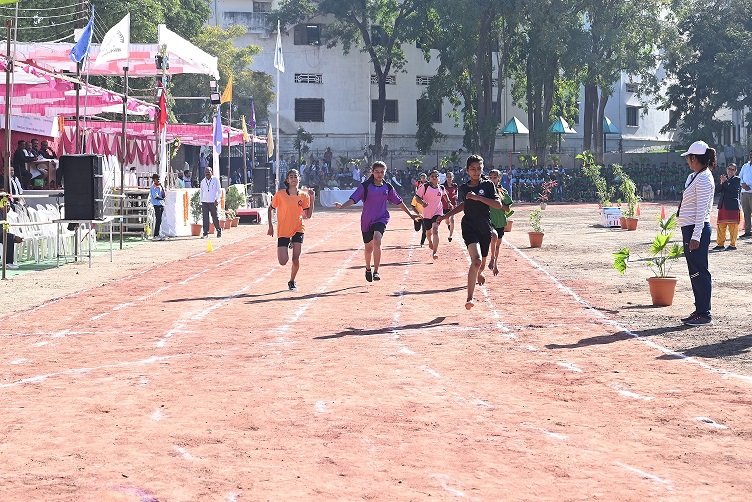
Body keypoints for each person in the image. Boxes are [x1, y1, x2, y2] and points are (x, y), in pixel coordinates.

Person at [335, 161, 421, 282]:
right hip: (367, 220)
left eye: (382, 172)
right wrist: (342, 206)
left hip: (381, 218)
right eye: (377, 172)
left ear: (385, 172)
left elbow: (399, 202)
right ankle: (368, 268)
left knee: (377, 239)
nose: (379, 174)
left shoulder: (388, 187)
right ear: (372, 172)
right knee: (368, 248)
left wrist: (411, 215)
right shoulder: (365, 186)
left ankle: (376, 271)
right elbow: (353, 199)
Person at [438, 154, 502, 310]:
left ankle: (479, 273)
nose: (476, 171)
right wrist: (445, 216)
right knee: (476, 261)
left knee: (481, 265)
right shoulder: (464, 188)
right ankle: (470, 297)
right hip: (469, 226)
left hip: (484, 227)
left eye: (479, 168)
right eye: (473, 169)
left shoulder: (488, 185)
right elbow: (464, 205)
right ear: (467, 170)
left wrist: (478, 198)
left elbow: (498, 205)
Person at [678, 140, 716, 326]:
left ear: (694, 158)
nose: (687, 161)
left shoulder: (704, 179)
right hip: (690, 228)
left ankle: (704, 313)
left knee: (700, 272)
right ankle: (699, 308)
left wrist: (695, 236)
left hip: (696, 229)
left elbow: (701, 211)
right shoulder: (695, 176)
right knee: (694, 272)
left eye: (688, 158)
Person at [267, 169, 315, 291]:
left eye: (295, 176)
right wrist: (270, 226)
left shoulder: (304, 196)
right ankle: (289, 242)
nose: (294, 179)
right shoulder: (280, 194)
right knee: (283, 261)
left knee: (295, 258)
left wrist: (312, 198)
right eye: (291, 177)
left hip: (298, 228)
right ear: (287, 180)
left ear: (299, 179)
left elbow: (308, 215)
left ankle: (292, 281)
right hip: (283, 230)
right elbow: (270, 208)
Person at [414, 170, 449, 260]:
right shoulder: (425, 186)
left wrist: (448, 202)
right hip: (427, 213)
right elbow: (417, 197)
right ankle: (429, 241)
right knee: (428, 232)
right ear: (429, 178)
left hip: (438, 212)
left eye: (436, 176)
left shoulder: (441, 188)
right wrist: (422, 202)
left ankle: (435, 252)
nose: (434, 178)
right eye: (432, 176)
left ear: (438, 178)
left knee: (435, 230)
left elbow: (445, 195)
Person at [487, 169, 513, 276]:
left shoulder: (503, 192)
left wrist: (499, 205)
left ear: (499, 178)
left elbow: (508, 209)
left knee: (497, 245)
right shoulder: (486, 191)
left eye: (495, 177)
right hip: (488, 220)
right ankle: (491, 258)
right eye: (491, 177)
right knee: (493, 237)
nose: (492, 179)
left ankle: (495, 263)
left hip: (500, 221)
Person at [713, 163, 741, 251]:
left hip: (732, 206)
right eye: (729, 169)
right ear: (726, 169)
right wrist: (722, 182)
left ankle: (733, 244)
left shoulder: (737, 179)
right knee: (721, 226)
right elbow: (718, 190)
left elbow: (731, 189)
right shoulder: (724, 179)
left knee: (733, 226)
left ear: (735, 171)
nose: (730, 171)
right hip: (723, 206)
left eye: (733, 169)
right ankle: (720, 244)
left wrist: (725, 182)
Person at [200, 167, 221, 238]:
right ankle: (205, 233)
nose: (207, 174)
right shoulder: (203, 181)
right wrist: (200, 202)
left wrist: (217, 200)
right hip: (205, 202)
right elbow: (201, 192)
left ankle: (218, 230)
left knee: (215, 217)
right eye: (206, 172)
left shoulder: (215, 180)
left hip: (213, 202)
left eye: (208, 172)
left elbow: (219, 191)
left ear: (211, 172)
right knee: (205, 218)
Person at [739, 151, 752, 237]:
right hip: (744, 192)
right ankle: (748, 231)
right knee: (746, 213)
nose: (751, 157)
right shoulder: (745, 166)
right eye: (750, 155)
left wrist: (748, 185)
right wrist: (743, 184)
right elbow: (740, 177)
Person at [442, 171, 459, 242]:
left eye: (450, 177)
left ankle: (450, 236)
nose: (449, 178)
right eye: (448, 177)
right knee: (447, 220)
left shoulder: (455, 185)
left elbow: (456, 193)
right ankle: (448, 225)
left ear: (453, 177)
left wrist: (456, 196)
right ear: (446, 177)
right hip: (445, 205)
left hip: (453, 204)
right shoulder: (443, 186)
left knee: (452, 219)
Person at [149, 174, 166, 240]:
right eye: (157, 179)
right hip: (156, 205)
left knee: (160, 220)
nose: (158, 180)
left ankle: (159, 233)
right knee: (158, 219)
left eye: (158, 179)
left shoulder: (159, 186)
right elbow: (155, 197)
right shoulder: (153, 187)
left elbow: (163, 195)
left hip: (161, 204)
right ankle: (156, 234)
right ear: (154, 180)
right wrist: (162, 199)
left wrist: (162, 186)